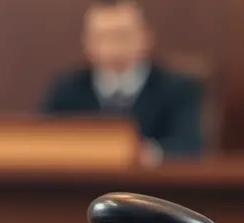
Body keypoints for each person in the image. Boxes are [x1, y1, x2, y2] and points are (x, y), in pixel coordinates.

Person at [40, 0, 205, 164]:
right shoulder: (66, 90)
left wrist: (148, 154)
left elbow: (191, 146)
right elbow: (43, 142)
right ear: (86, 43)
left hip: (150, 186)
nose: (112, 47)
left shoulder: (178, 88)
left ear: (145, 38)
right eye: (102, 37)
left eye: (122, 35)